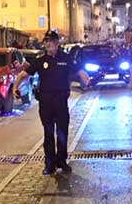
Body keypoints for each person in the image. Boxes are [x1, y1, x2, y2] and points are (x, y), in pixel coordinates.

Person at [12, 30, 92, 174]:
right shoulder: (41, 61)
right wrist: (15, 87)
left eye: (51, 42)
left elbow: (79, 71)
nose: (48, 44)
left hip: (61, 103)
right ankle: (49, 164)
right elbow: (25, 74)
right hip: (46, 104)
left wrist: (86, 79)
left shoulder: (65, 58)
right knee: (48, 134)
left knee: (62, 134)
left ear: (57, 44)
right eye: (46, 42)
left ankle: (62, 161)